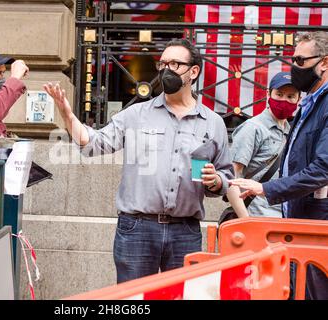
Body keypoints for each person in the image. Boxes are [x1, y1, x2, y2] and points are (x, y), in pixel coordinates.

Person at [44, 39, 234, 283]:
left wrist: (217, 180)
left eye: (175, 64)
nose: (167, 70)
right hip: (137, 230)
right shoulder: (136, 114)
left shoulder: (213, 123)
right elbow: (93, 145)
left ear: (193, 71)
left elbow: (226, 176)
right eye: (163, 63)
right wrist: (67, 115)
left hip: (185, 232)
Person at [230, 31, 328, 300]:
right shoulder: (310, 104)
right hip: (294, 222)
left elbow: (322, 168)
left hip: (315, 224)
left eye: (300, 60)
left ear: (325, 63)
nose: (294, 66)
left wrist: (264, 188)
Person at [227, 72, 300, 218]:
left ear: (299, 100)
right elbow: (232, 177)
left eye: (290, 97)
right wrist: (245, 220)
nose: (284, 100)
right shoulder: (253, 128)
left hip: (285, 216)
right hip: (257, 216)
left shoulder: (293, 132)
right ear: (268, 94)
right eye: (279, 94)